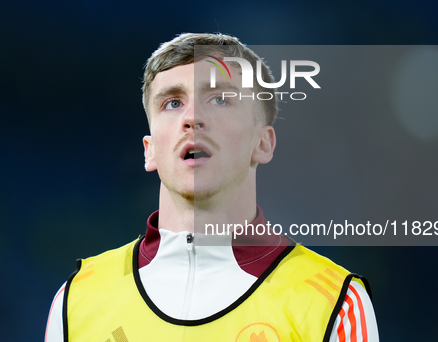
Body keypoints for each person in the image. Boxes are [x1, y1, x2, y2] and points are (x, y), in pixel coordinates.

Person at [45, 33, 379, 342]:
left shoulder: (334, 303)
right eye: (172, 103)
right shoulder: (76, 300)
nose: (192, 117)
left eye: (219, 99)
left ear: (263, 143)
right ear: (150, 150)